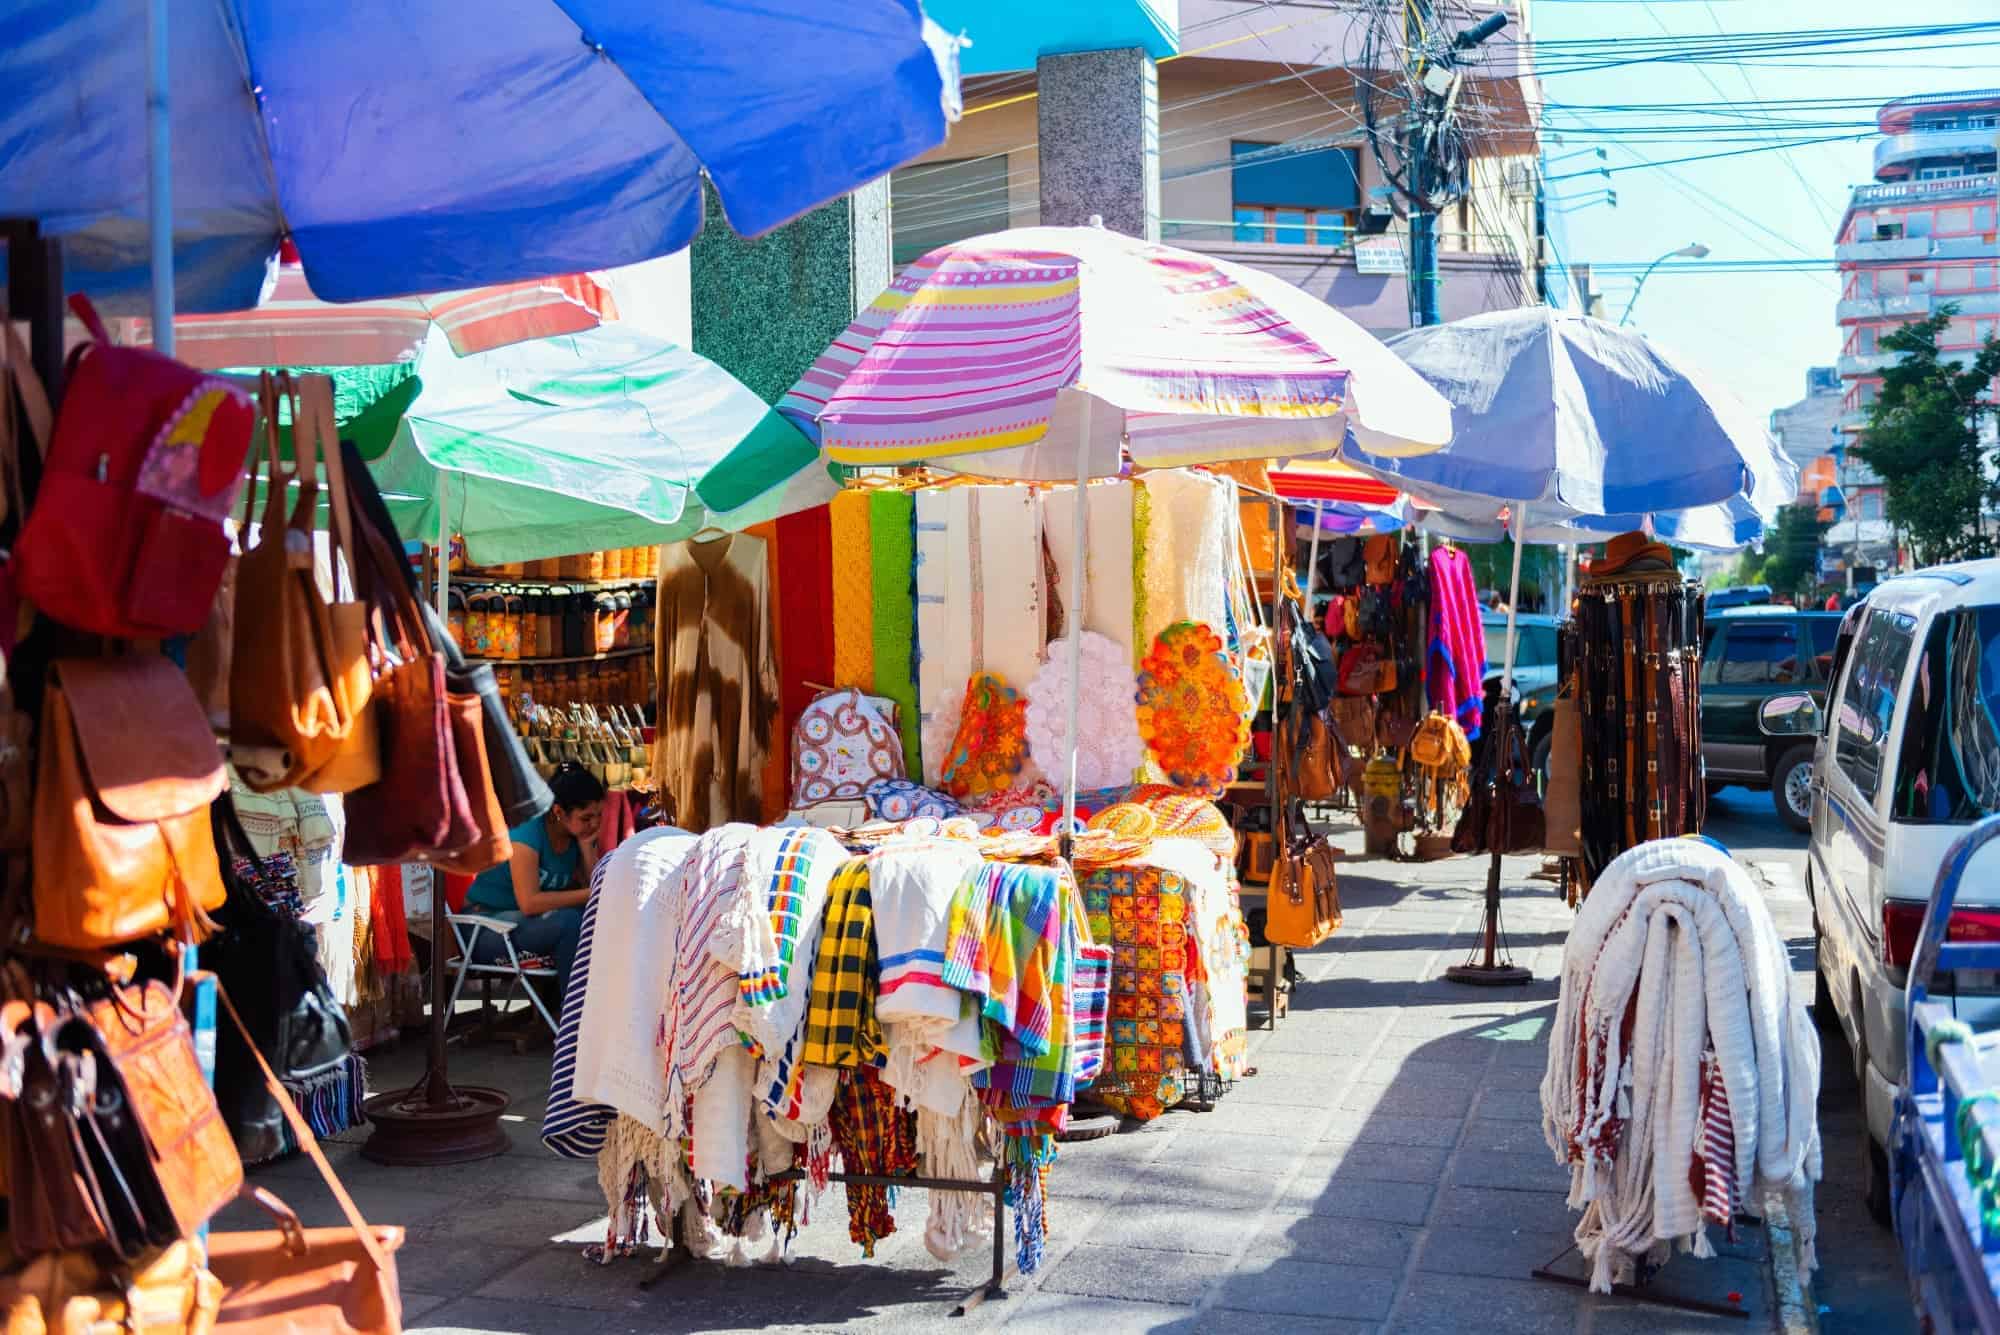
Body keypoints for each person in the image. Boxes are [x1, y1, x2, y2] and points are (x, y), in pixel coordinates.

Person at [463, 761, 606, 997]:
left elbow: (592, 889)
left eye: (599, 815)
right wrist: (592, 893)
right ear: (559, 812)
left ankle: (585, 1010)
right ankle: (574, 1015)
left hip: (525, 926)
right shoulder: (527, 832)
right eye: (587, 817)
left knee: (595, 920)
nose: (595, 824)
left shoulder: (574, 836)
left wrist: (586, 847)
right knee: (571, 923)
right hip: (485, 928)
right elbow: (529, 902)